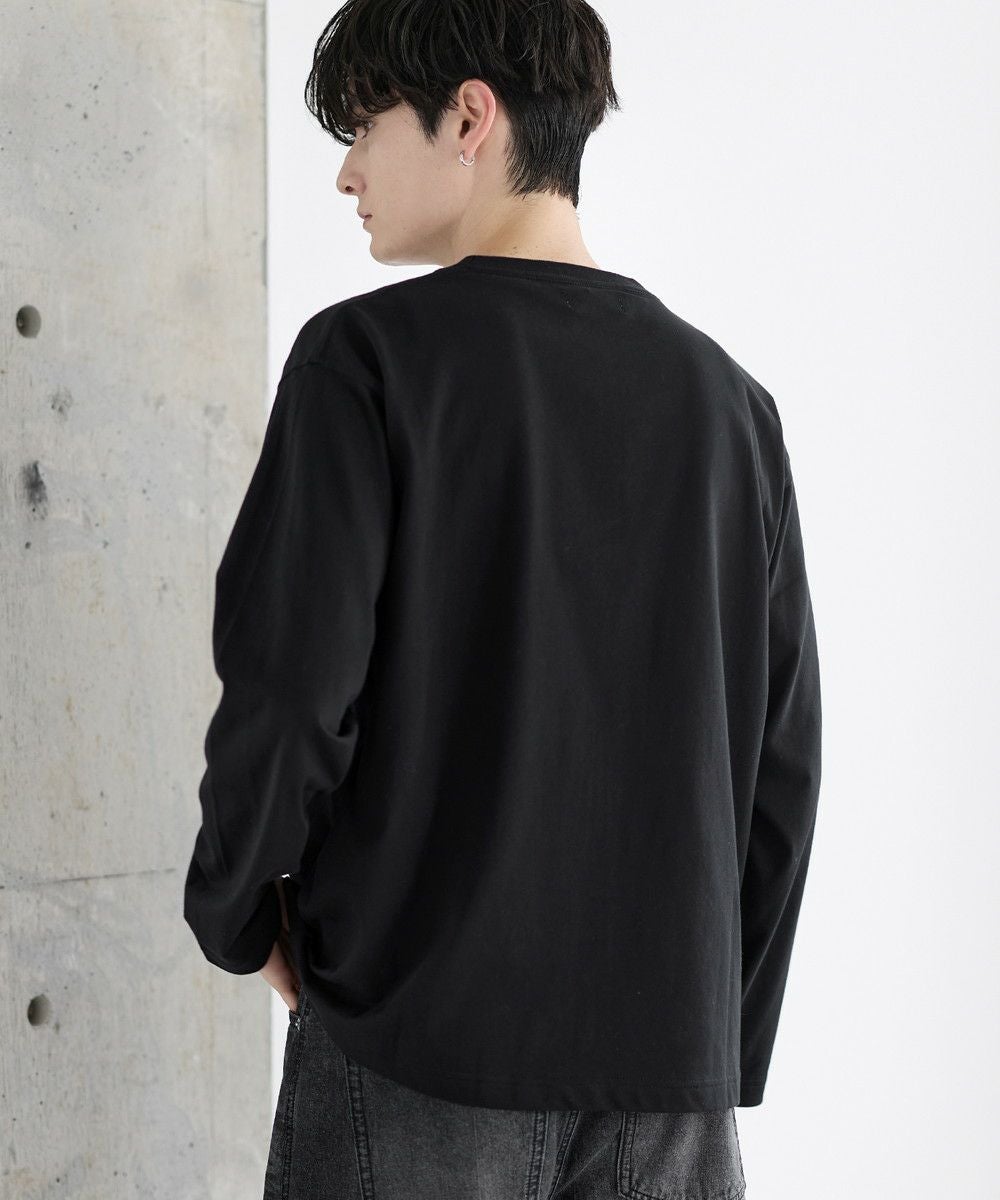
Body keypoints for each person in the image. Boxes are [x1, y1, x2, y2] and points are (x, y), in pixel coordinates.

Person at [182, 1, 822, 1197]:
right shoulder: (730, 406)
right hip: (666, 1081)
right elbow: (779, 765)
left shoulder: (365, 362)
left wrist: (238, 909)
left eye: (364, 126)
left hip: (418, 1049)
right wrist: (712, 1033)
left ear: (469, 116)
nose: (345, 173)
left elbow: (290, 688)